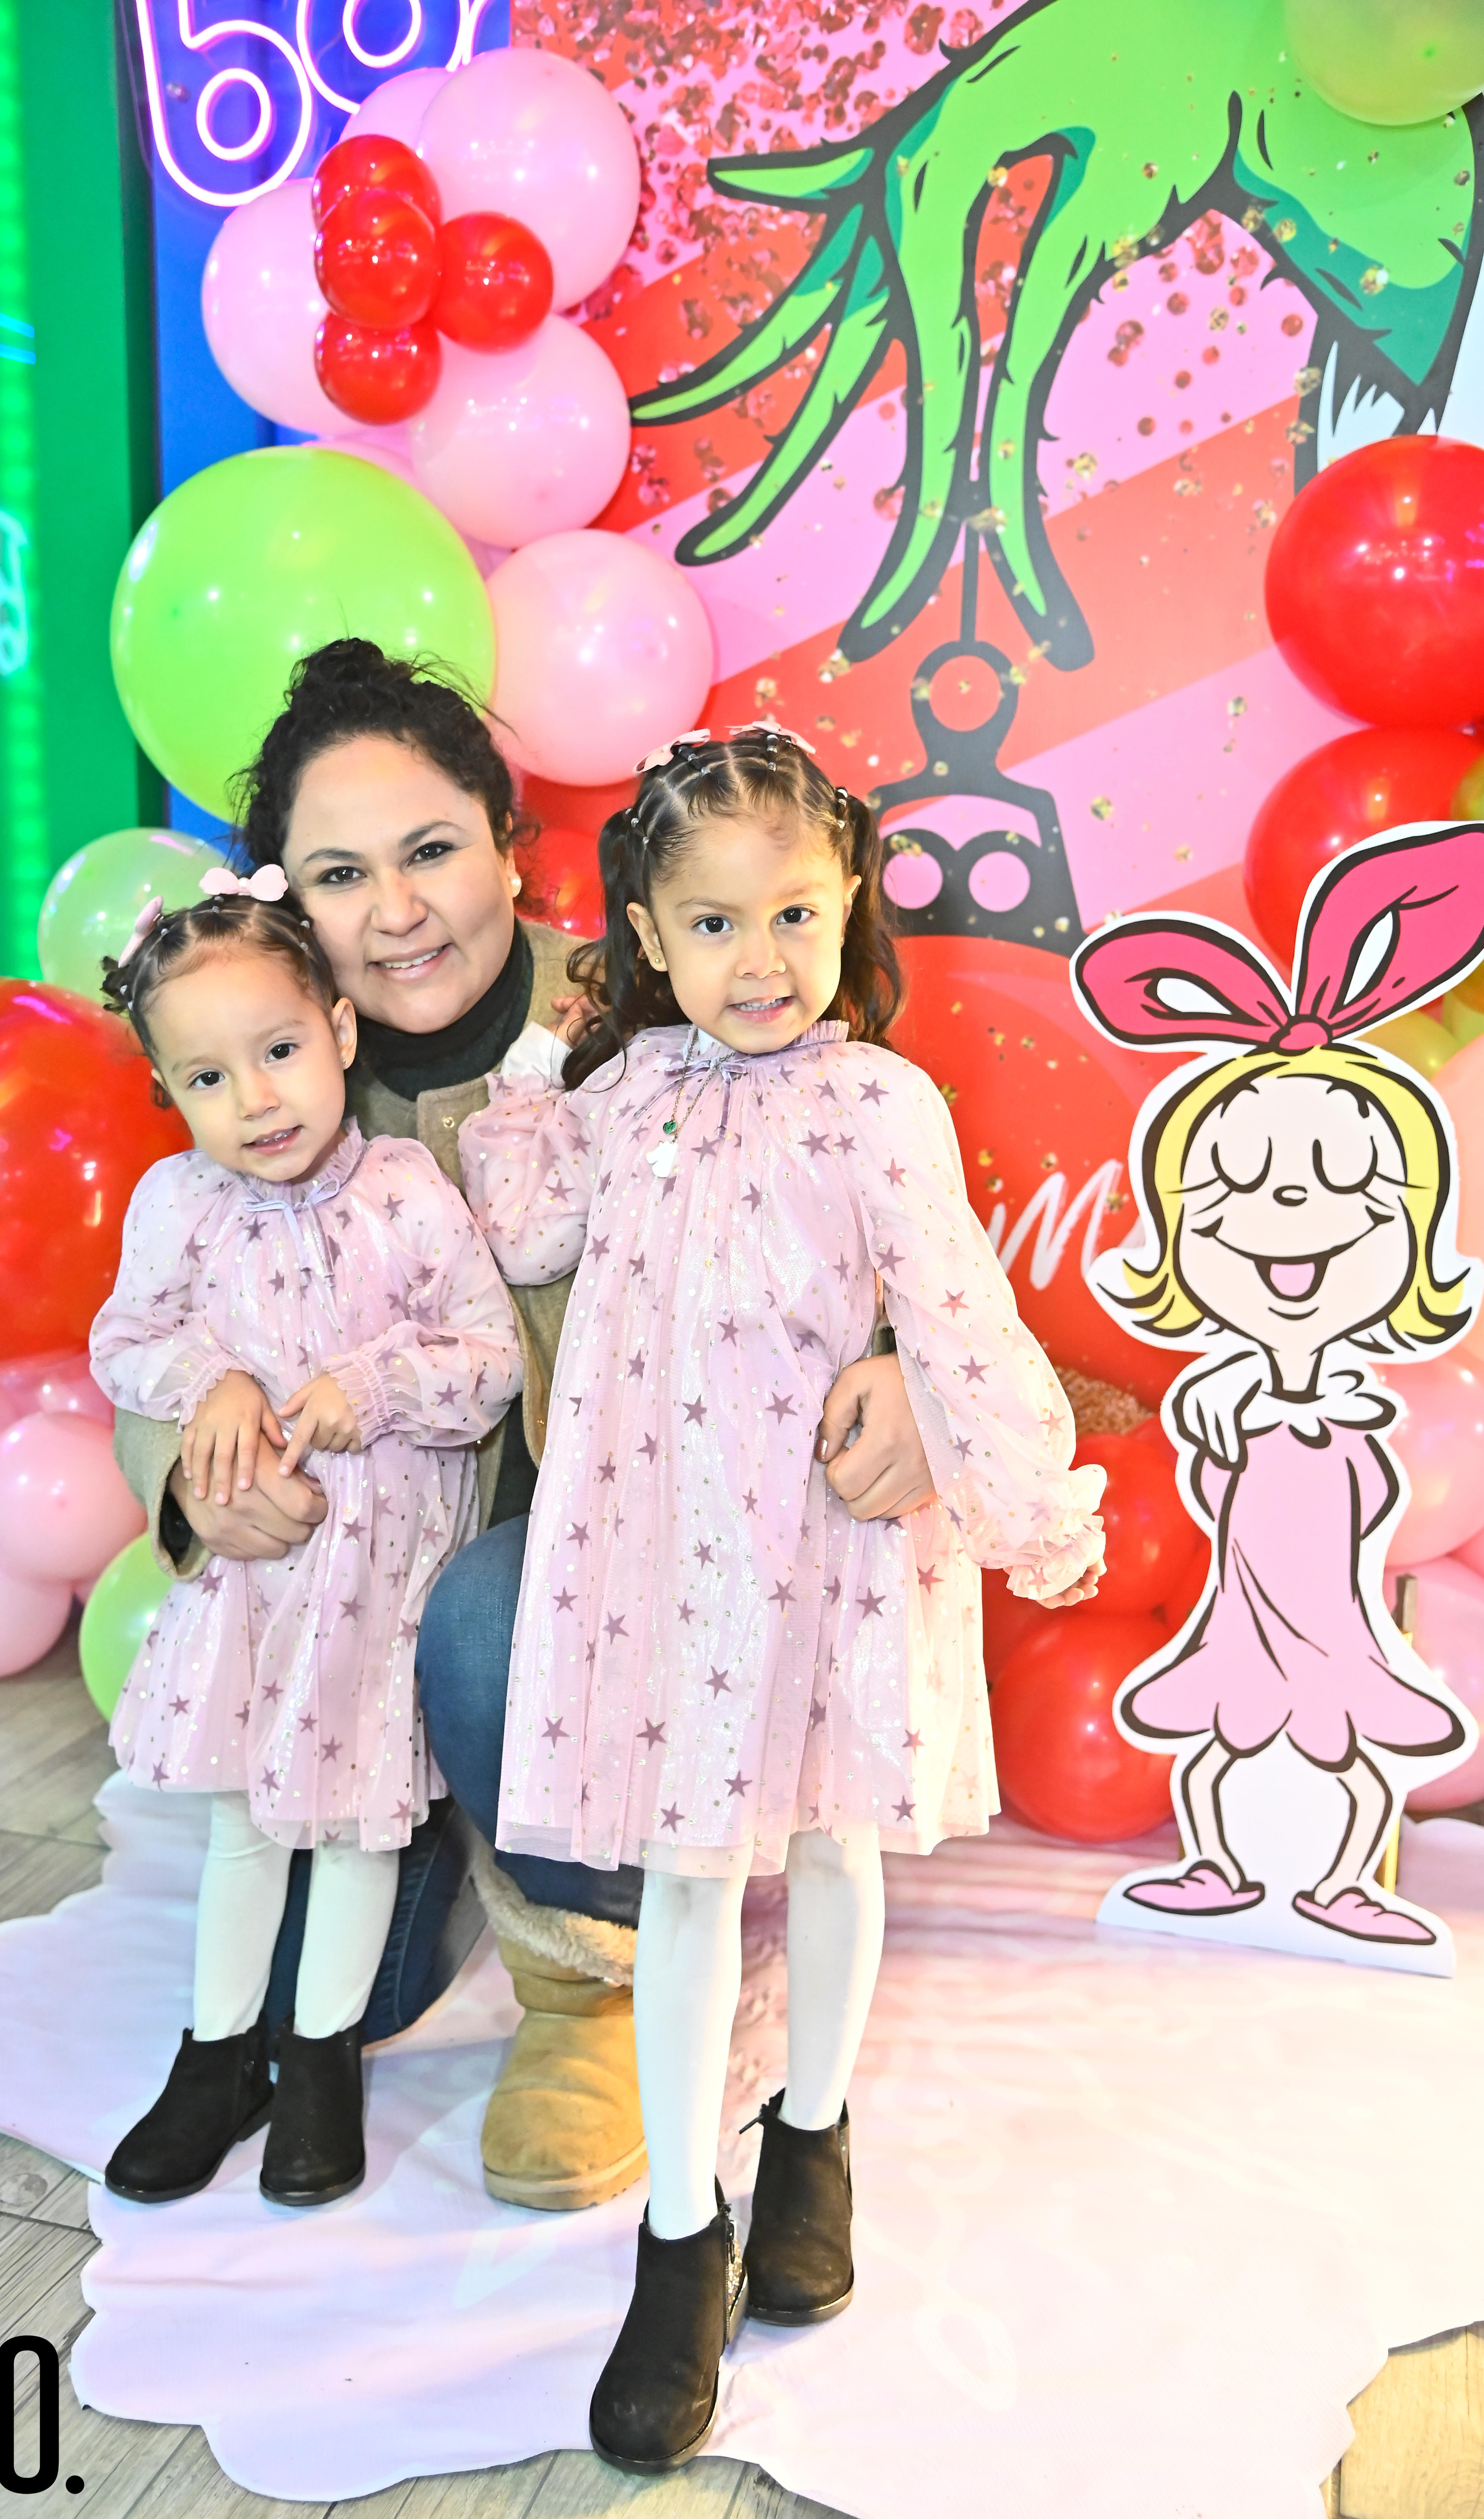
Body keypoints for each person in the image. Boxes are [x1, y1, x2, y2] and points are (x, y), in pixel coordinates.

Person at [112, 640, 941, 2213]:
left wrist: (900, 1361)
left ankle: (585, 1970)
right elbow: (155, 1331)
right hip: (341, 1604)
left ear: (512, 844)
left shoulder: (658, 996)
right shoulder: (258, 1067)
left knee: (494, 1616)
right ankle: (342, 1979)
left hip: (595, 1590)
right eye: (344, 874)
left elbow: (860, 1177)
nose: (399, 910)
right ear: (288, 899)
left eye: (433, 850)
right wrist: (192, 1478)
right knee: (317, 1975)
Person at [460, 723, 1105, 2472]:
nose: (762, 962)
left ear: (845, 915)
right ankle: (681, 2236)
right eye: (716, 924)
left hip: (824, 1550)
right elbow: (522, 1225)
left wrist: (1030, 1505)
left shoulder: (880, 1100)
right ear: (652, 938)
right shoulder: (627, 1096)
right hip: (659, 1566)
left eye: (795, 917)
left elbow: (955, 1305)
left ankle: (810, 2133)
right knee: (685, 1877)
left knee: (829, 1845)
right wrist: (539, 1052)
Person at [91, 870, 520, 2207]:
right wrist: (206, 1384)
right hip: (262, 1585)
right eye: (210, 1079)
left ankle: (320, 2057)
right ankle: (217, 2055)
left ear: (339, 1031)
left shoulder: (404, 1189)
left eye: (278, 1052)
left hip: (379, 1583)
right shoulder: (177, 1205)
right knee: (244, 1825)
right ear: (171, 1092)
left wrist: (373, 1384)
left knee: (354, 1835)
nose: (257, 1101)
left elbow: (491, 1356)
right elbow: (125, 1338)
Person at [1072, 829, 1482, 1942]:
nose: (1287, 1213)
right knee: (1223, 1745)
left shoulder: (1354, 1412)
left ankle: (1343, 1884)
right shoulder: (1228, 1400)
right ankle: (1219, 1873)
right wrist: (1228, 1415)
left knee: (1348, 1755)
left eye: (1344, 1182)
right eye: (1240, 1186)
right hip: (1248, 1616)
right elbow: (1225, 1480)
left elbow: (1349, 1490)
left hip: (1332, 1618)